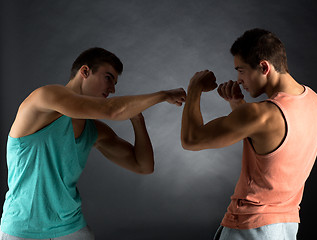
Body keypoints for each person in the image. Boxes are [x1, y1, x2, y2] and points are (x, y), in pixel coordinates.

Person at [0, 47, 186, 239]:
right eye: (108, 77)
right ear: (85, 71)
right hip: (23, 228)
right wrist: (163, 95)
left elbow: (144, 166)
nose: (112, 89)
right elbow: (112, 111)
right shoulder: (45, 97)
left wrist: (137, 118)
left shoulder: (93, 130)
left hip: (70, 226)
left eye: (114, 82)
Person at [181, 28, 317, 239]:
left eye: (241, 70)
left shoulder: (261, 114)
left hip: (249, 227)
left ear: (264, 67)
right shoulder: (314, 101)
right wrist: (237, 104)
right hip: (286, 228)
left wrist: (194, 88)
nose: (238, 79)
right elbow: (271, 144)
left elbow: (190, 139)